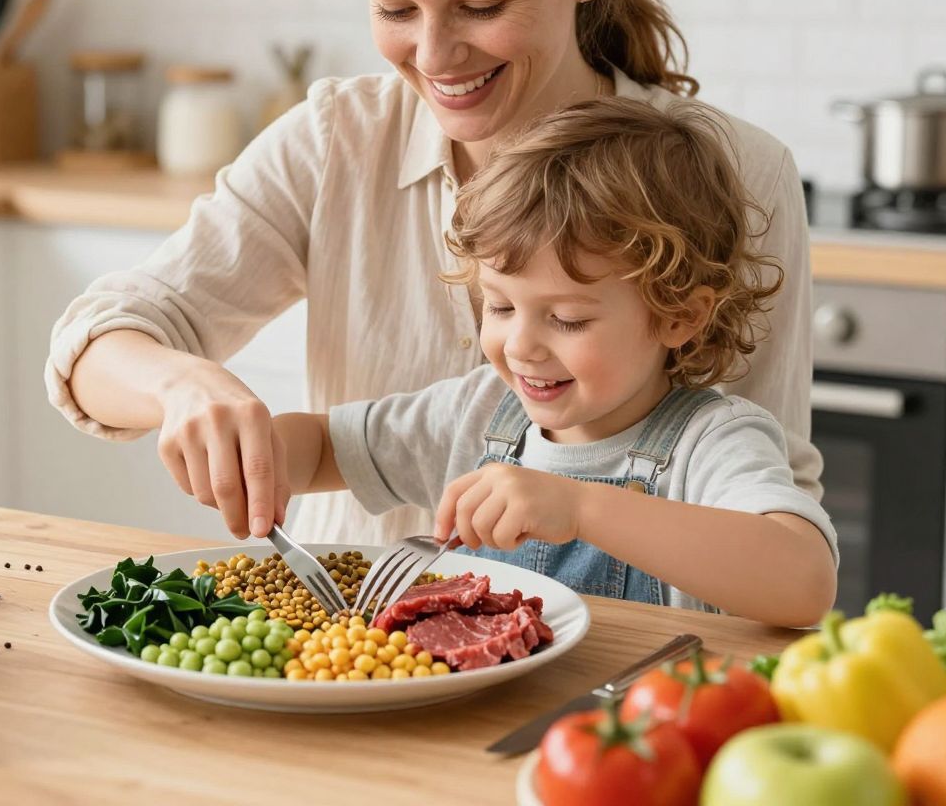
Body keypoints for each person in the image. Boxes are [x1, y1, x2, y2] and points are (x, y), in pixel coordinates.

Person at [46, 0, 820, 547]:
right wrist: (184, 385)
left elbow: (774, 522)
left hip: (616, 666)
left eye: (481, 7)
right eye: (393, 8)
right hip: (350, 651)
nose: (434, 54)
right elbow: (99, 340)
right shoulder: (335, 141)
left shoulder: (737, 172)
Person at [267, 98, 838, 626]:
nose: (520, 345)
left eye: (567, 319)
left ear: (678, 316)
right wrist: (255, 456)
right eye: (500, 306)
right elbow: (322, 448)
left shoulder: (712, 442)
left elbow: (804, 581)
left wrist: (581, 506)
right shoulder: (479, 411)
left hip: (632, 727)